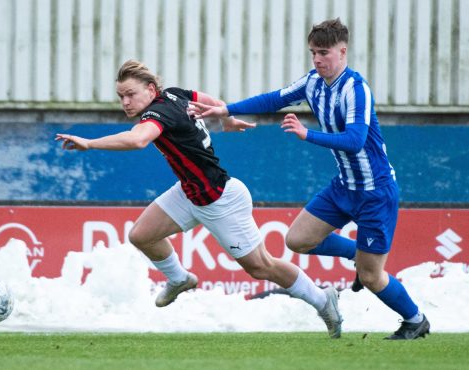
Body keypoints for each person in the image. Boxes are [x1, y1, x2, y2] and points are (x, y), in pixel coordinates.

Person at [55, 59, 343, 338]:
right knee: (142, 235)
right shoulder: (174, 95)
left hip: (220, 198)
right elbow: (207, 100)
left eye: (130, 94)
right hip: (191, 191)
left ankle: (322, 300)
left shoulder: (159, 112)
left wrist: (90, 143)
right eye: (121, 97)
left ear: (152, 89)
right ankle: (180, 278)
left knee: (261, 266)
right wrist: (227, 119)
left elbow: (138, 139)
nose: (125, 102)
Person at [189, 18, 429, 340]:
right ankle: (356, 255)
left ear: (342, 52)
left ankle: (415, 320)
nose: (317, 60)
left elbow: (356, 140)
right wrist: (225, 110)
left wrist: (307, 134)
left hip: (375, 192)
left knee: (373, 278)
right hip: (344, 186)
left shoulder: (356, 90)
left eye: (324, 53)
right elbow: (274, 99)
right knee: (297, 240)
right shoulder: (313, 82)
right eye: (313, 53)